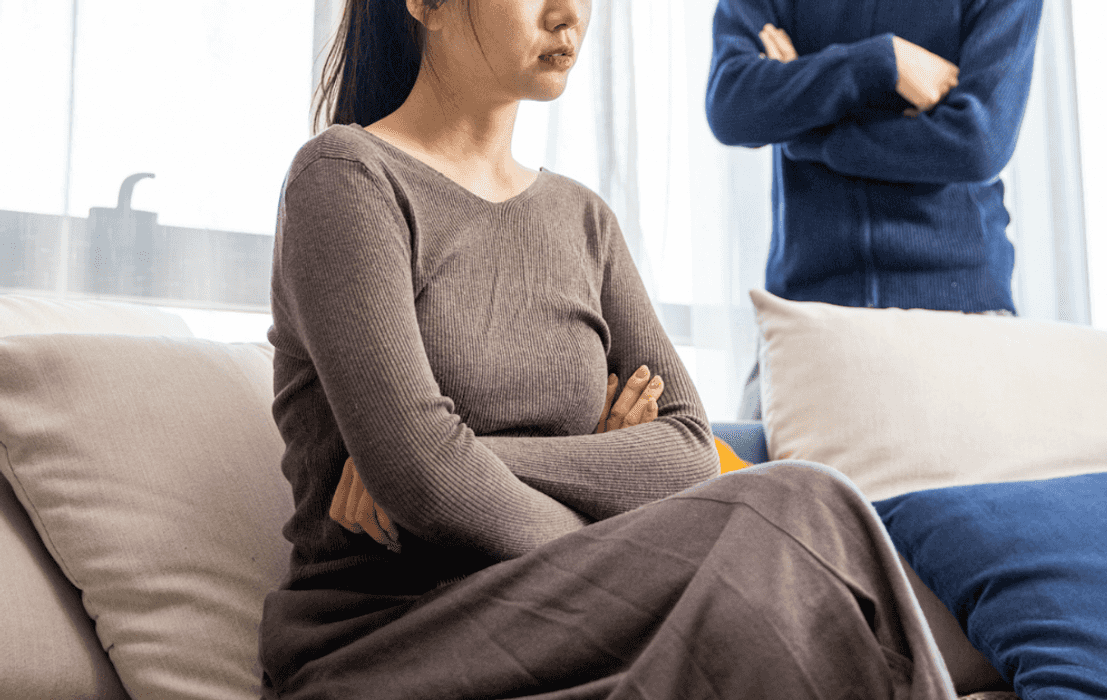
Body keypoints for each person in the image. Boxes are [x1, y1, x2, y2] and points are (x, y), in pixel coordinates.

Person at [258, 0, 959, 697]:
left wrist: (463, 455)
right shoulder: (347, 177)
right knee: (798, 504)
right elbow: (428, 480)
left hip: (579, 622)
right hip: (390, 639)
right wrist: (592, 504)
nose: (569, 14)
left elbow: (687, 448)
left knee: (794, 571)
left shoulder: (582, 218)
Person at [705, 0, 1044, 419]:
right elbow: (731, 102)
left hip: (960, 313)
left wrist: (806, 134)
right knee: (744, 480)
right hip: (808, 314)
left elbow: (978, 142)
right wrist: (881, 60)